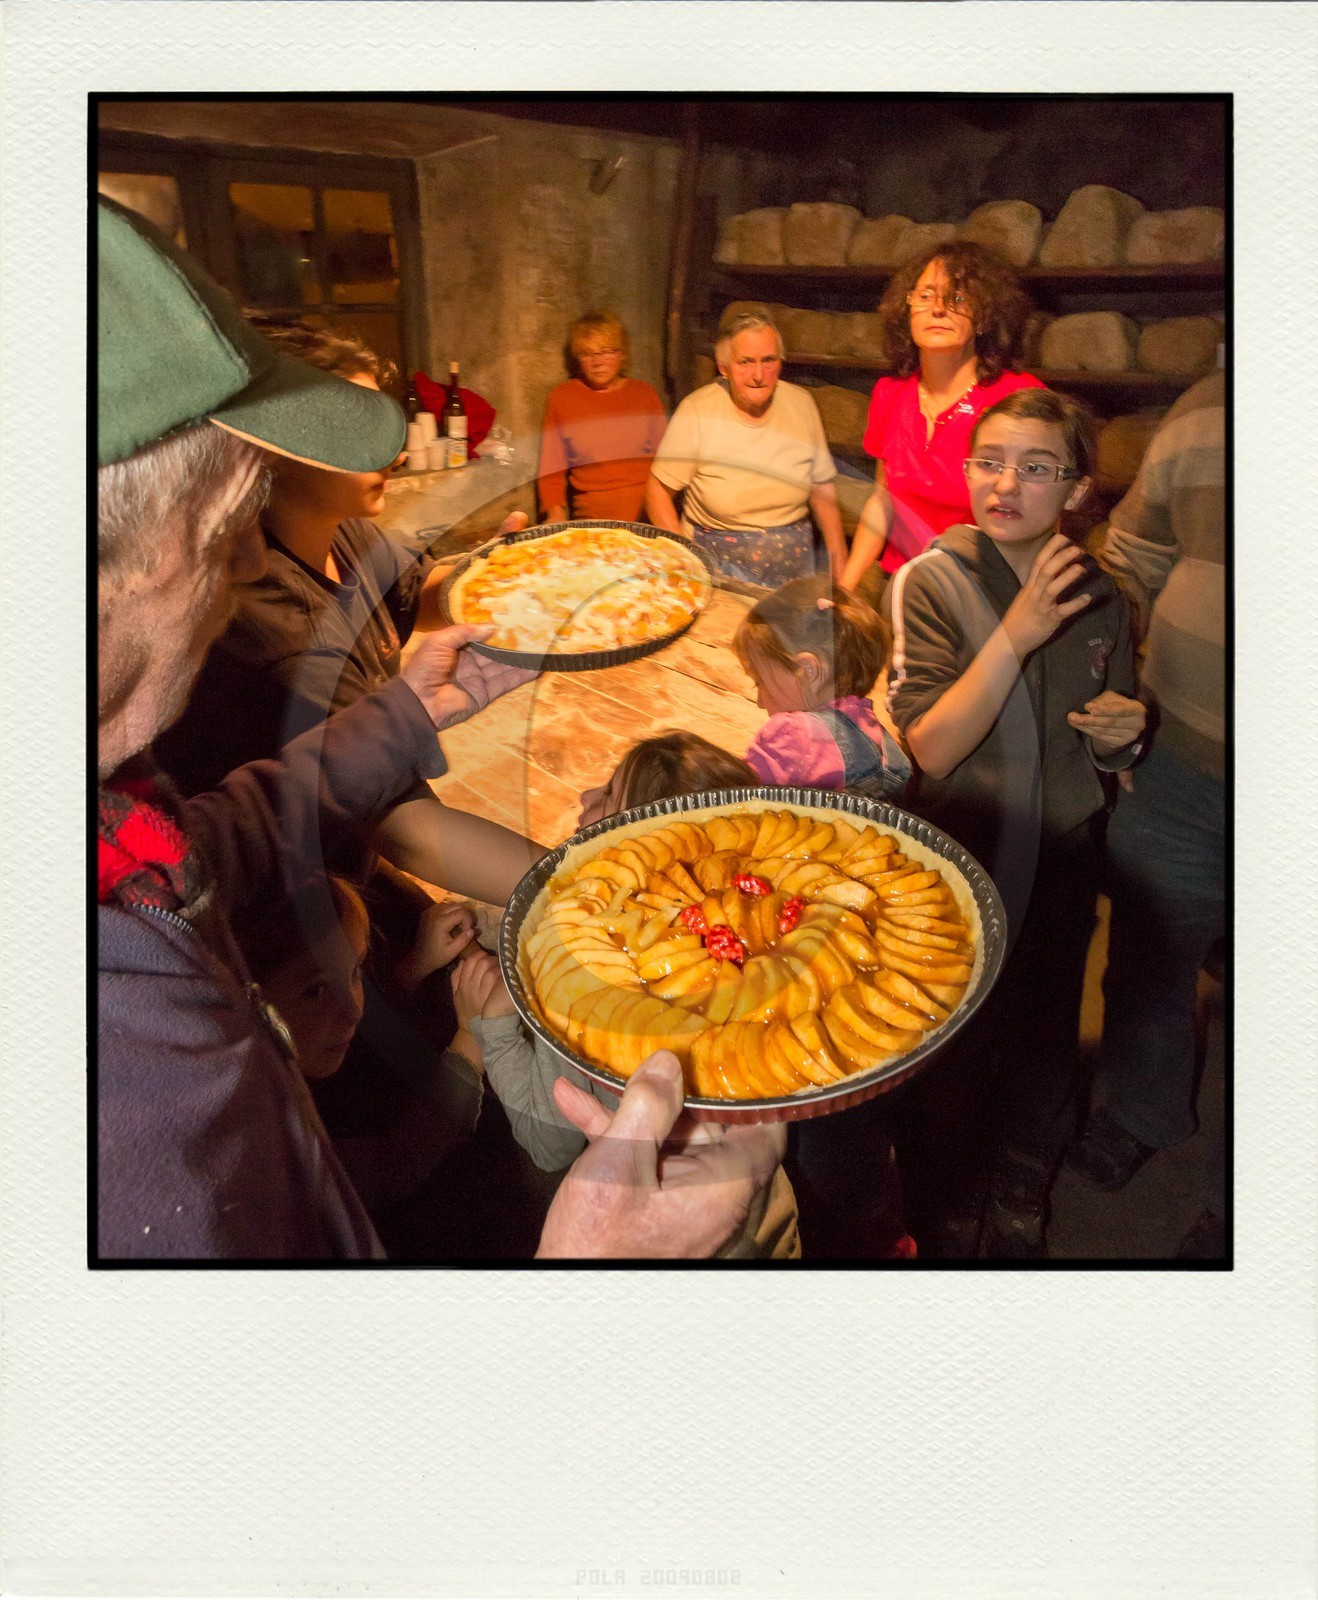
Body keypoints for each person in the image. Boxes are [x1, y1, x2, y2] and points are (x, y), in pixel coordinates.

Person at [97, 195, 782, 1262]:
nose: (241, 567)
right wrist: (589, 1270)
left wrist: (413, 707)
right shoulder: (131, 1103)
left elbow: (203, 846)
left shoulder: (112, 807)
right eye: (225, 526)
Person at [156, 313, 543, 910]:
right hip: (285, 898)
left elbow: (418, 592)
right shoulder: (270, 628)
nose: (388, 446)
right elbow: (406, 830)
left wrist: (495, 572)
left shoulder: (340, 533)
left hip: (339, 844)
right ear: (274, 451)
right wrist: (579, 884)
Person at [884, 388, 1144, 1257]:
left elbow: (1108, 743)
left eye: (1038, 469)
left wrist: (1122, 739)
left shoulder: (1103, 596)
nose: (1006, 484)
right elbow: (931, 748)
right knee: (949, 1036)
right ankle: (948, 1189)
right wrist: (1018, 632)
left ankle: (1027, 1178)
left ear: (1076, 491)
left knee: (1042, 1032)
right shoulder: (933, 580)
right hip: (956, 861)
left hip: (1063, 856)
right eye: (989, 462)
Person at [456, 732, 802, 1259]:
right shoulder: (738, 957)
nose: (584, 795)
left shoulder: (596, 992)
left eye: (609, 794)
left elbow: (548, 1143)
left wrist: (492, 1023)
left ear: (639, 850)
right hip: (772, 1221)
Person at [1066, 372, 1226, 1241]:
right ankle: (1140, 1113)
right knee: (1149, 958)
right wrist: (1107, 676)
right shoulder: (1206, 408)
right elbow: (1135, 559)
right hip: (1177, 763)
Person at [235, 876, 489, 1219]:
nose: (354, 1009)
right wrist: (473, 1037)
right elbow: (396, 1164)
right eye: (317, 990)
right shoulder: (269, 1143)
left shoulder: (302, 1042)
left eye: (355, 969)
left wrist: (417, 964)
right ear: (240, 999)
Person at [841, 242, 1044, 591]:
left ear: (983, 318)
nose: (938, 309)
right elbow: (884, 499)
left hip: (982, 589)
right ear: (907, 311)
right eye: (925, 296)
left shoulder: (1017, 398)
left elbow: (1042, 518)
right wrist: (844, 589)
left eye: (957, 300)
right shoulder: (891, 393)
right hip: (903, 582)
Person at [645, 306, 847, 587]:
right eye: (746, 362)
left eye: (769, 360)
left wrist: (839, 566)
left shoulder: (801, 404)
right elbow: (657, 492)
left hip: (792, 558)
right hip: (717, 558)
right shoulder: (697, 411)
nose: (758, 375)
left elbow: (821, 487)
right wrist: (684, 557)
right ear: (724, 368)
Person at [734, 574, 910, 800]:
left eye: (759, 682)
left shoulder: (791, 736)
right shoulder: (882, 740)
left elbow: (739, 802)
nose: (759, 702)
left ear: (807, 670)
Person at [536, 310, 667, 524]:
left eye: (607, 351)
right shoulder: (562, 397)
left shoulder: (644, 394)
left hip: (647, 514)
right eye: (588, 354)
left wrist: (663, 513)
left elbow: (667, 461)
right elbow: (552, 467)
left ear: (622, 354)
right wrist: (555, 514)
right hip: (593, 522)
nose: (598, 362)